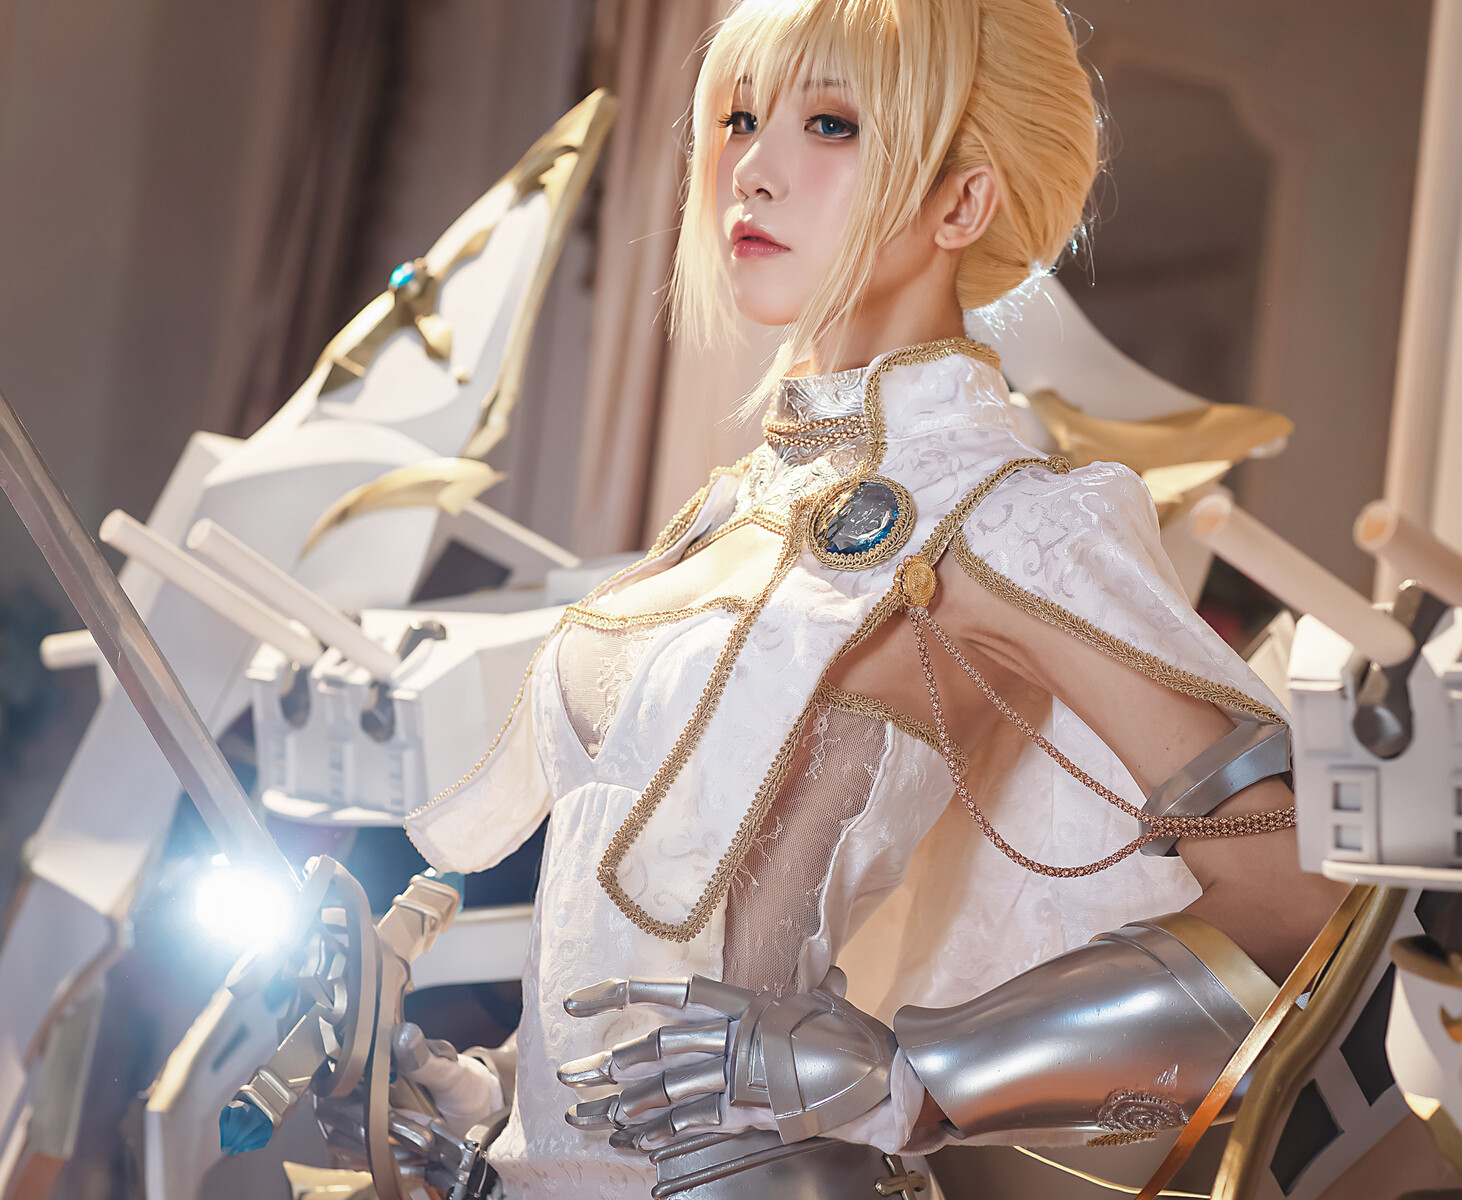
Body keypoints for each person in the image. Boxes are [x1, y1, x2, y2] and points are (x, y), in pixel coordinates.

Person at [404, 0, 1346, 1194]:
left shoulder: (1011, 518)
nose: (752, 169)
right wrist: (494, 1097)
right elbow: (645, 915)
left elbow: (1297, 900)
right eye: (741, 118)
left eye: (831, 124)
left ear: (961, 203)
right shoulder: (726, 511)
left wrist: (919, 1079)